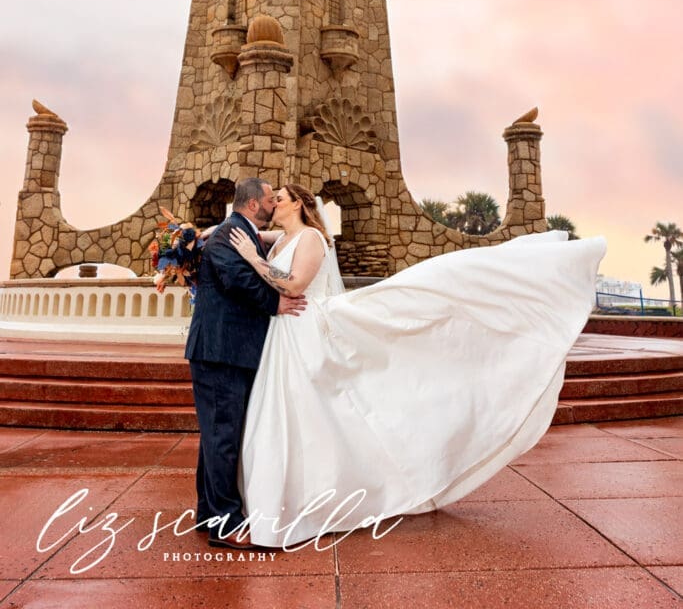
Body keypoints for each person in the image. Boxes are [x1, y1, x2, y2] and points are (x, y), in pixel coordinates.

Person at [229, 183, 607, 548]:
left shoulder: (311, 237)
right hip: (282, 336)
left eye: (278, 199)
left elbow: (294, 284)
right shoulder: (280, 239)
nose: (271, 205)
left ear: (297, 203)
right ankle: (289, 495)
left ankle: (334, 495)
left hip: (303, 332)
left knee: (313, 414)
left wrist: (252, 259)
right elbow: (241, 232)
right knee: (291, 416)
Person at [184, 177, 307, 550]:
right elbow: (236, 278)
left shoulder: (241, 232)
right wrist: (275, 304)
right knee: (222, 436)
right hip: (221, 350)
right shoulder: (229, 236)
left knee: (217, 435)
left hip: (228, 350)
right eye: (270, 199)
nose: (273, 204)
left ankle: (208, 511)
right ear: (254, 204)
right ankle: (225, 525)